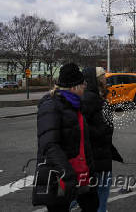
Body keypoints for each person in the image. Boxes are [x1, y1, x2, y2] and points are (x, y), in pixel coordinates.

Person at [32, 63, 98, 212]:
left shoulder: (76, 106)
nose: (85, 87)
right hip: (59, 177)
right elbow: (49, 145)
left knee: (92, 205)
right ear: (74, 87)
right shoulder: (51, 105)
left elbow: (81, 142)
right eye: (83, 84)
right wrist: (67, 175)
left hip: (82, 174)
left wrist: (91, 170)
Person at [82, 67, 123, 212]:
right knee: (101, 188)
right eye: (103, 76)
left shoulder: (96, 97)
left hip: (100, 152)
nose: (106, 78)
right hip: (97, 153)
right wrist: (103, 131)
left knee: (97, 189)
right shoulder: (90, 99)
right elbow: (82, 126)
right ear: (96, 80)